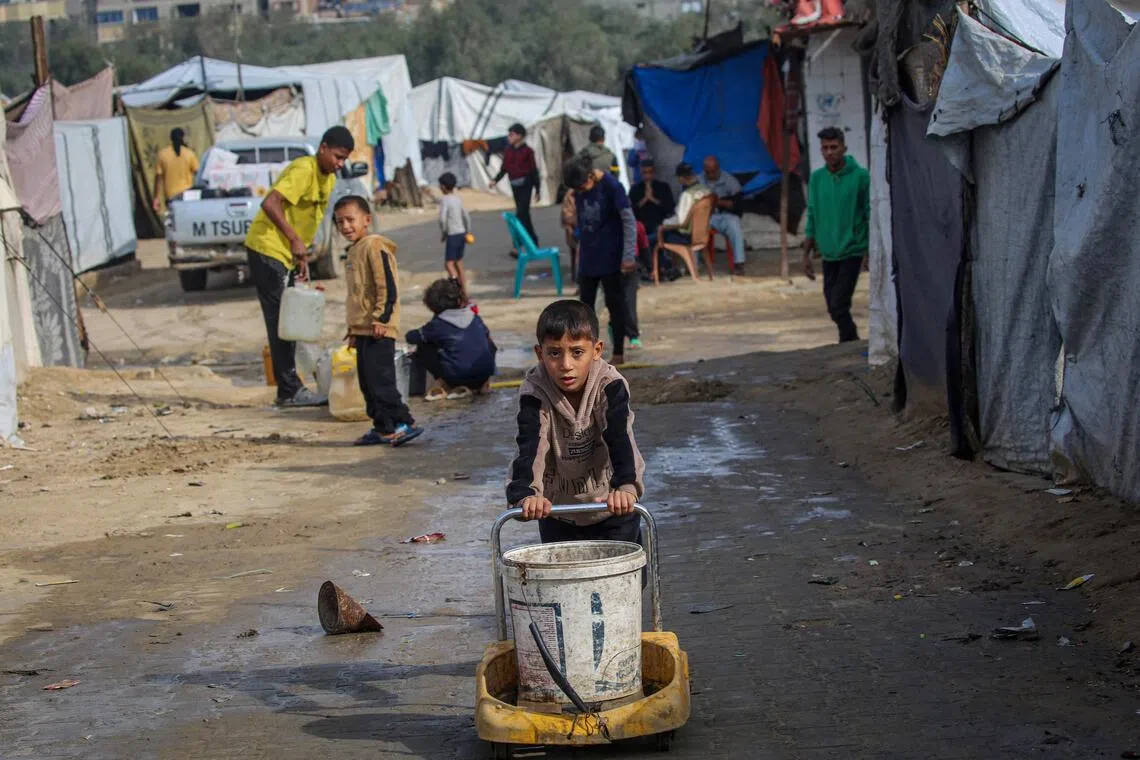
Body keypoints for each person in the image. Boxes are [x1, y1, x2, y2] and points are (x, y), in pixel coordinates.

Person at [506, 299, 645, 544]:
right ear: (540, 353)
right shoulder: (535, 390)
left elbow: (621, 436)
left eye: (577, 352)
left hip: (610, 505)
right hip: (558, 512)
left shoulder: (609, 385)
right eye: (554, 353)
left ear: (597, 350)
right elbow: (530, 445)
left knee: (623, 578)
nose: (566, 365)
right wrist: (526, 495)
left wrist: (625, 487)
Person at [244, 125, 354, 407]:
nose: (340, 164)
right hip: (267, 247)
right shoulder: (304, 169)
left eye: (344, 160)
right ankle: (289, 390)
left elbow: (306, 219)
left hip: (285, 254)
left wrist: (301, 255)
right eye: (337, 157)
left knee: (292, 319)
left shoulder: (328, 179)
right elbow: (270, 203)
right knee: (282, 322)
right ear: (324, 148)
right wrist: (293, 238)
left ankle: (292, 385)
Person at [333, 194, 423, 446]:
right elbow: (357, 295)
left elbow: (387, 286)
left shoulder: (374, 246)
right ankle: (382, 427)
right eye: (340, 222)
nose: (345, 227)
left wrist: (382, 319)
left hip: (379, 328)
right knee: (367, 383)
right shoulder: (353, 251)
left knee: (382, 381)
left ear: (367, 220)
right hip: (363, 329)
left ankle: (404, 423)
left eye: (350, 220)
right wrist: (353, 330)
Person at [564, 157, 637, 366]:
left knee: (615, 305)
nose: (580, 191)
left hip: (611, 258)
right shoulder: (580, 190)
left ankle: (619, 352)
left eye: (581, 186)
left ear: (590, 176)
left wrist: (628, 256)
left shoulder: (612, 187)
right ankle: (588, 354)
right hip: (588, 258)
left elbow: (629, 221)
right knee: (584, 310)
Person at [802, 127, 870, 343]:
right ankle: (849, 342)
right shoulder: (817, 178)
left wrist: (870, 249)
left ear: (844, 148)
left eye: (834, 147)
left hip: (852, 250)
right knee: (832, 305)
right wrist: (806, 253)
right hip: (828, 253)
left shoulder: (860, 177)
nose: (830, 152)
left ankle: (849, 341)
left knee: (839, 304)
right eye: (825, 148)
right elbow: (812, 213)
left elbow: (870, 213)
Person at [405, 278, 497, 401]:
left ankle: (444, 384)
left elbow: (410, 337)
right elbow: (490, 343)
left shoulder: (437, 325)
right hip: (484, 373)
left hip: (456, 377)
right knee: (486, 341)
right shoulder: (475, 318)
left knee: (424, 346)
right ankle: (483, 384)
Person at [493, 123, 540, 253]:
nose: (509, 137)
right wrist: (495, 180)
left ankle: (517, 246)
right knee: (525, 215)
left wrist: (538, 189)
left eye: (511, 134)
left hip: (526, 184)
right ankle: (534, 242)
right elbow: (504, 168)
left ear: (519, 136)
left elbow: (533, 170)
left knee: (520, 215)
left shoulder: (528, 152)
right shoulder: (508, 151)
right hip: (515, 185)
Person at [699, 155, 747, 276]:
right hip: (706, 216)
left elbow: (738, 205)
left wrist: (719, 202)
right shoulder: (699, 180)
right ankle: (696, 262)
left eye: (713, 171)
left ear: (718, 168)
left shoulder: (730, 181)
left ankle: (739, 263)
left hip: (725, 215)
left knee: (735, 226)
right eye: (708, 172)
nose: (710, 174)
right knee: (694, 226)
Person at [152, 128, 200, 213]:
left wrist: (156, 197)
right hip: (188, 195)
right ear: (183, 137)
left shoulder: (163, 154)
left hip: (171, 196)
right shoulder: (189, 154)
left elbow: (158, 178)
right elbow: (198, 174)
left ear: (171, 138)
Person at [437, 172, 471, 289]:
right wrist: (467, 231)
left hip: (452, 234)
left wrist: (444, 232)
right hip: (462, 233)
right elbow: (466, 216)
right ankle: (464, 290)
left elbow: (442, 219)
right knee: (459, 262)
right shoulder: (457, 199)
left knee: (449, 264)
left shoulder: (445, 200)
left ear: (443, 187)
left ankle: (456, 287)